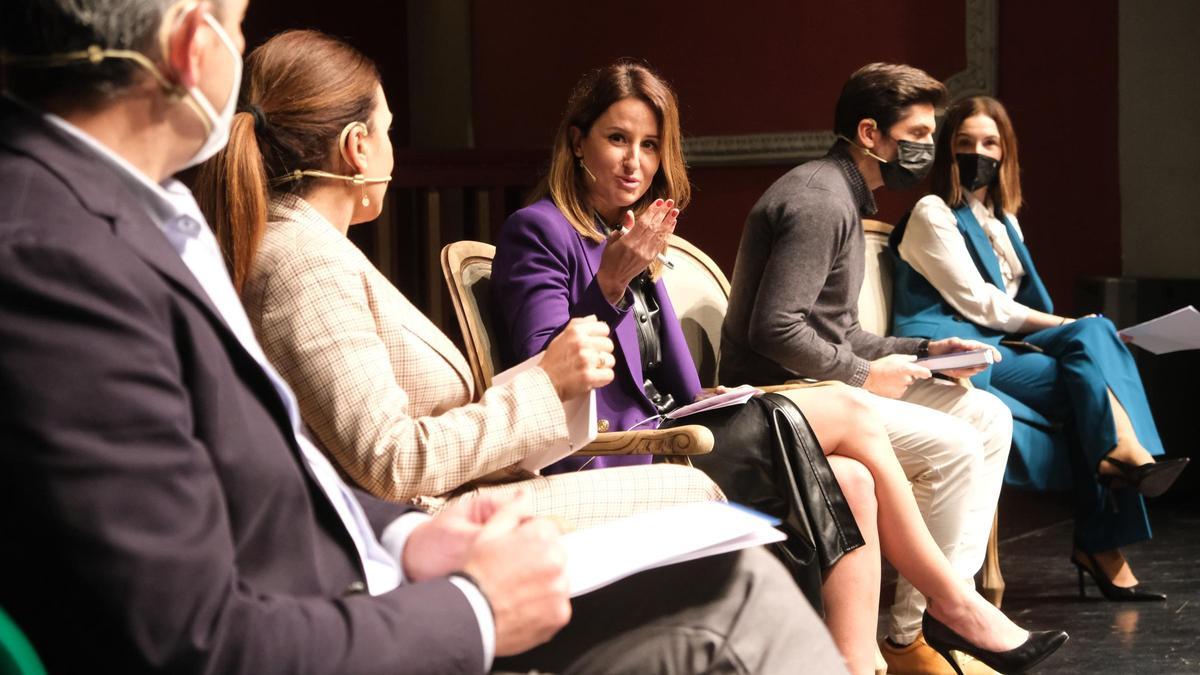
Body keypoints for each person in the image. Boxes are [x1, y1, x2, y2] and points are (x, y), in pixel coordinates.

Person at [0, 2, 852, 673]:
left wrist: (405, 534)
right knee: (739, 583)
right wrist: (473, 607)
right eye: (235, 22)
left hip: (396, 545)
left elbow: (282, 467)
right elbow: (191, 627)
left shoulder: (154, 220)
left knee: (745, 563)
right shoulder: (71, 251)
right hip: (356, 607)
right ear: (194, 48)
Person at [491, 59, 1066, 675]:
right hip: (624, 448)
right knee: (849, 406)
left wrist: (724, 393)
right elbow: (545, 371)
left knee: (854, 479)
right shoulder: (539, 231)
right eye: (617, 139)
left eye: (651, 145)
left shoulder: (628, 233)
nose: (635, 161)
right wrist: (609, 281)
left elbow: (681, 384)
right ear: (578, 142)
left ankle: (858, 661)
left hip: (687, 423)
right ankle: (955, 605)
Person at [193, 29, 723, 531]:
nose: (636, 161)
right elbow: (392, 462)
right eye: (389, 131)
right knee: (698, 499)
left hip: (478, 484)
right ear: (358, 147)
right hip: (431, 520)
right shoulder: (302, 263)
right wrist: (544, 383)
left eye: (651, 145)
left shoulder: (311, 248)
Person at [719, 62, 1019, 675]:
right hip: (782, 396)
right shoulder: (818, 200)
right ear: (869, 133)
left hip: (820, 381)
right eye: (916, 133)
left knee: (988, 415)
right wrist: (860, 375)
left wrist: (917, 352)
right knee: (955, 446)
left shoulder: (845, 197)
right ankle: (916, 637)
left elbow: (839, 330)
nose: (928, 149)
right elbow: (775, 330)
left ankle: (919, 631)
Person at [891, 95, 1189, 602]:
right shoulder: (932, 212)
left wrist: (1074, 326)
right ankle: (1107, 524)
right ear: (947, 151)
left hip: (1004, 343)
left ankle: (1119, 460)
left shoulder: (1004, 221)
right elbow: (980, 304)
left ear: (1006, 153)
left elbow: (1012, 306)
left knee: (1093, 345)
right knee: (1090, 356)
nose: (977, 152)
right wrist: (1066, 322)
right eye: (964, 143)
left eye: (989, 143)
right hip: (955, 346)